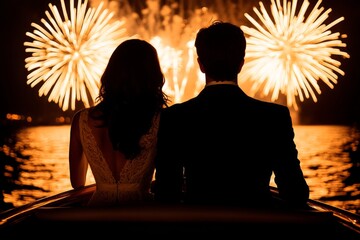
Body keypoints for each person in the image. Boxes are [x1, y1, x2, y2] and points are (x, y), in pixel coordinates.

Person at [153, 21, 310, 209]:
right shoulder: (274, 117)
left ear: (201, 64)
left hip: (196, 228)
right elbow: (296, 192)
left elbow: (166, 192)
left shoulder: (175, 117)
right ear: (241, 64)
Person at [69, 39, 168, 207]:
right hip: (140, 214)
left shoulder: (82, 120)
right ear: (152, 75)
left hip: (98, 214)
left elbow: (77, 182)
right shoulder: (160, 119)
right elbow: (167, 178)